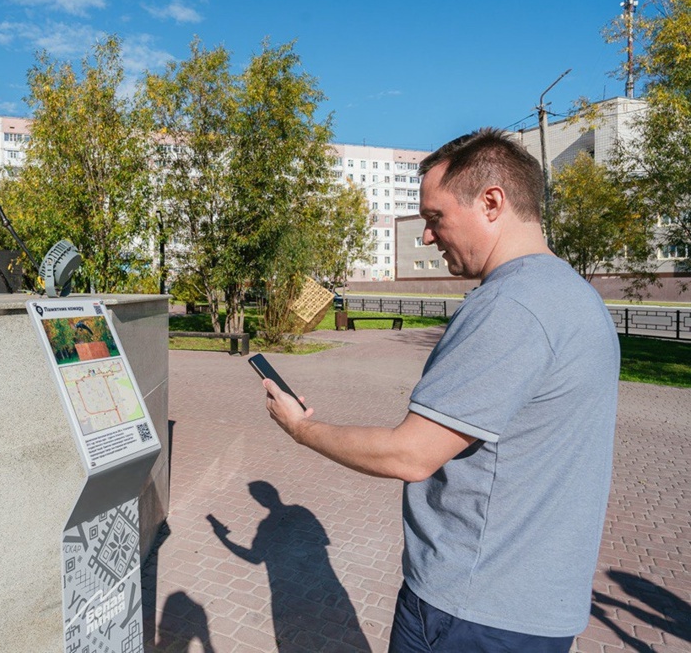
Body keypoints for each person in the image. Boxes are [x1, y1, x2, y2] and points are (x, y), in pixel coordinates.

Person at [263, 128, 619, 652]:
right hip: (534, 603)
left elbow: (410, 455)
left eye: (435, 218)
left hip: (472, 607)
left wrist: (302, 428)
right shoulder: (572, 294)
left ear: (491, 202)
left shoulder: (511, 305)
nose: (428, 236)